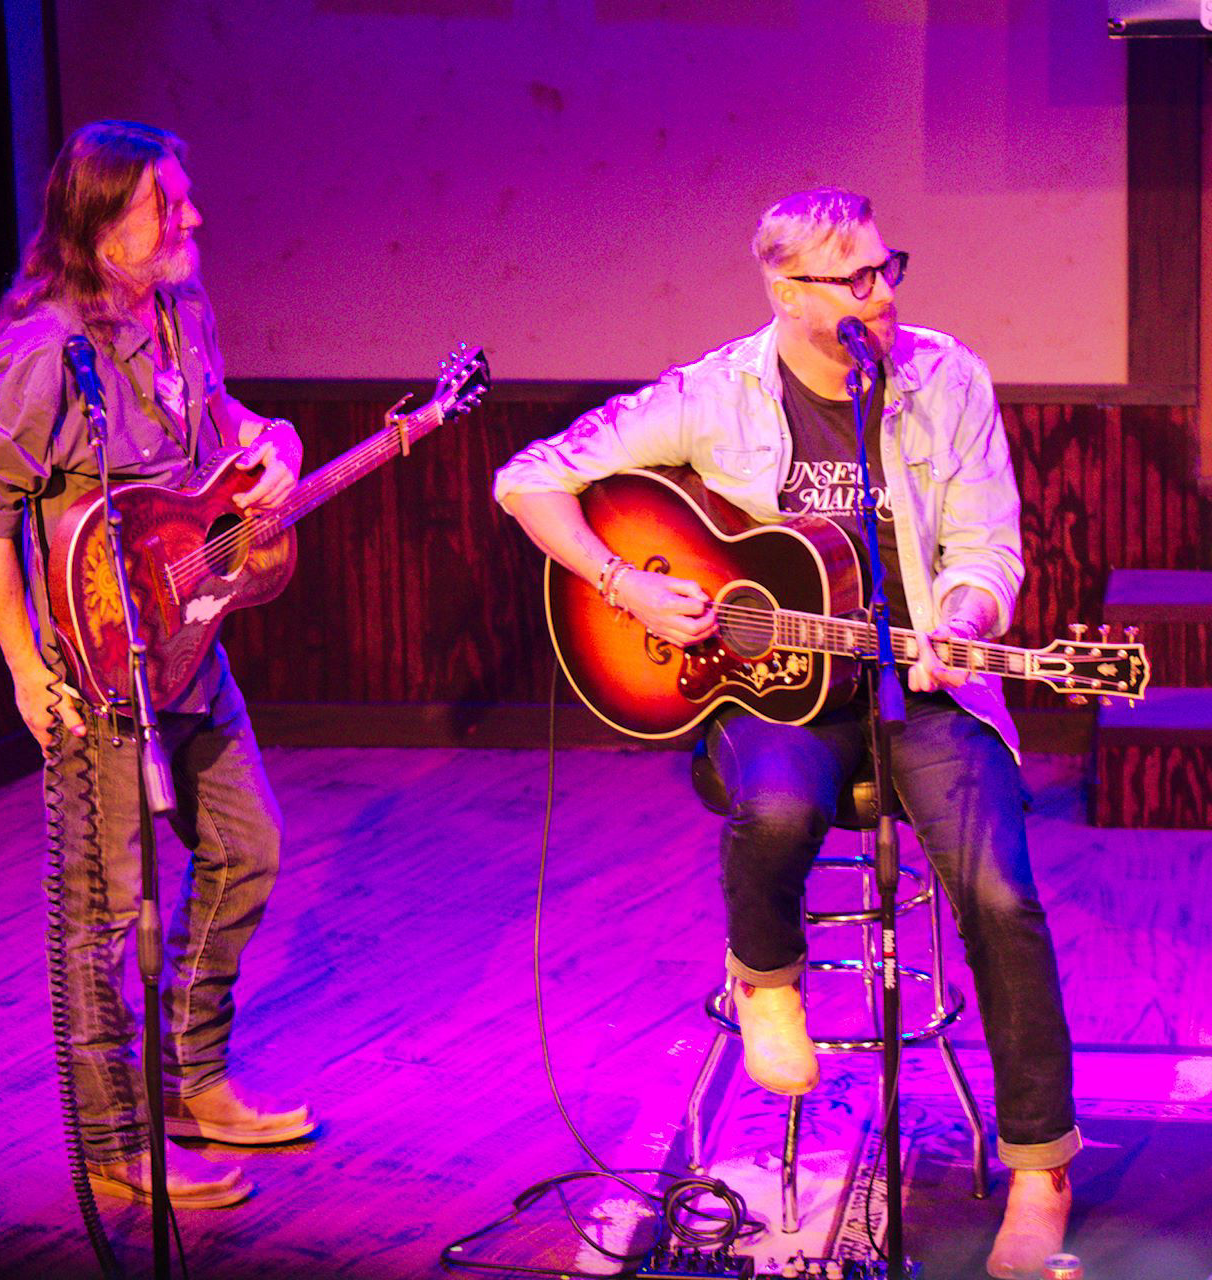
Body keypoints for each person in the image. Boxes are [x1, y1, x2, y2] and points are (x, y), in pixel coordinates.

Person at [495, 187, 1077, 1277]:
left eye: (886, 266)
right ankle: (766, 972)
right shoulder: (718, 391)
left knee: (1001, 889)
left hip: (925, 682)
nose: (883, 293)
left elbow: (991, 547)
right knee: (774, 803)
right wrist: (625, 581)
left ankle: (1040, 1168)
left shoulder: (945, 377)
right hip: (763, 692)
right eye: (854, 279)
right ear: (784, 287)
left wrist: (964, 617)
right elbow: (528, 477)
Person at [0, 121, 316, 1210]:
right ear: (108, 232)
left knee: (247, 848)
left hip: (188, 638)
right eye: (170, 205)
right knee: (105, 918)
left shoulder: (182, 307)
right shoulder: (42, 358)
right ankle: (116, 1144)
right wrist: (23, 666)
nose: (194, 218)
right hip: (96, 667)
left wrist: (274, 446)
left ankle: (193, 1079)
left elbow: (221, 427)